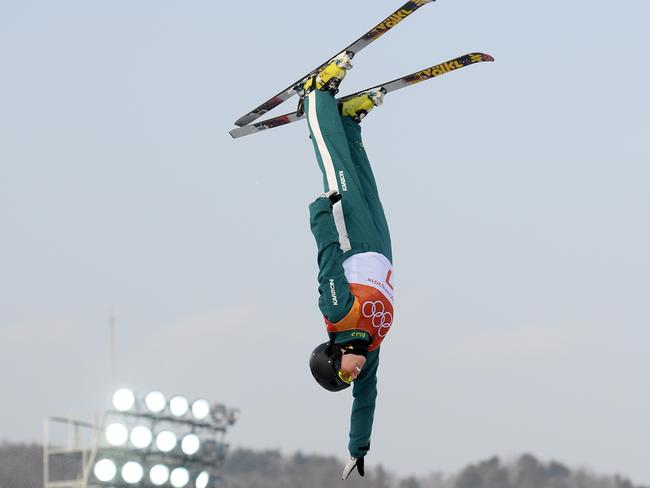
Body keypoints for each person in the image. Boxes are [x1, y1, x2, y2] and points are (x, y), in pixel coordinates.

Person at [304, 51, 394, 480]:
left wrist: (321, 214)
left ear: (334, 355)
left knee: (335, 169)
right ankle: (350, 123)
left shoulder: (339, 316)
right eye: (349, 378)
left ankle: (318, 98)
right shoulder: (370, 349)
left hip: (352, 241)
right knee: (366, 181)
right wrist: (358, 447)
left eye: (344, 373)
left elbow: (327, 262)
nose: (354, 376)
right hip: (381, 248)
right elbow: (368, 399)